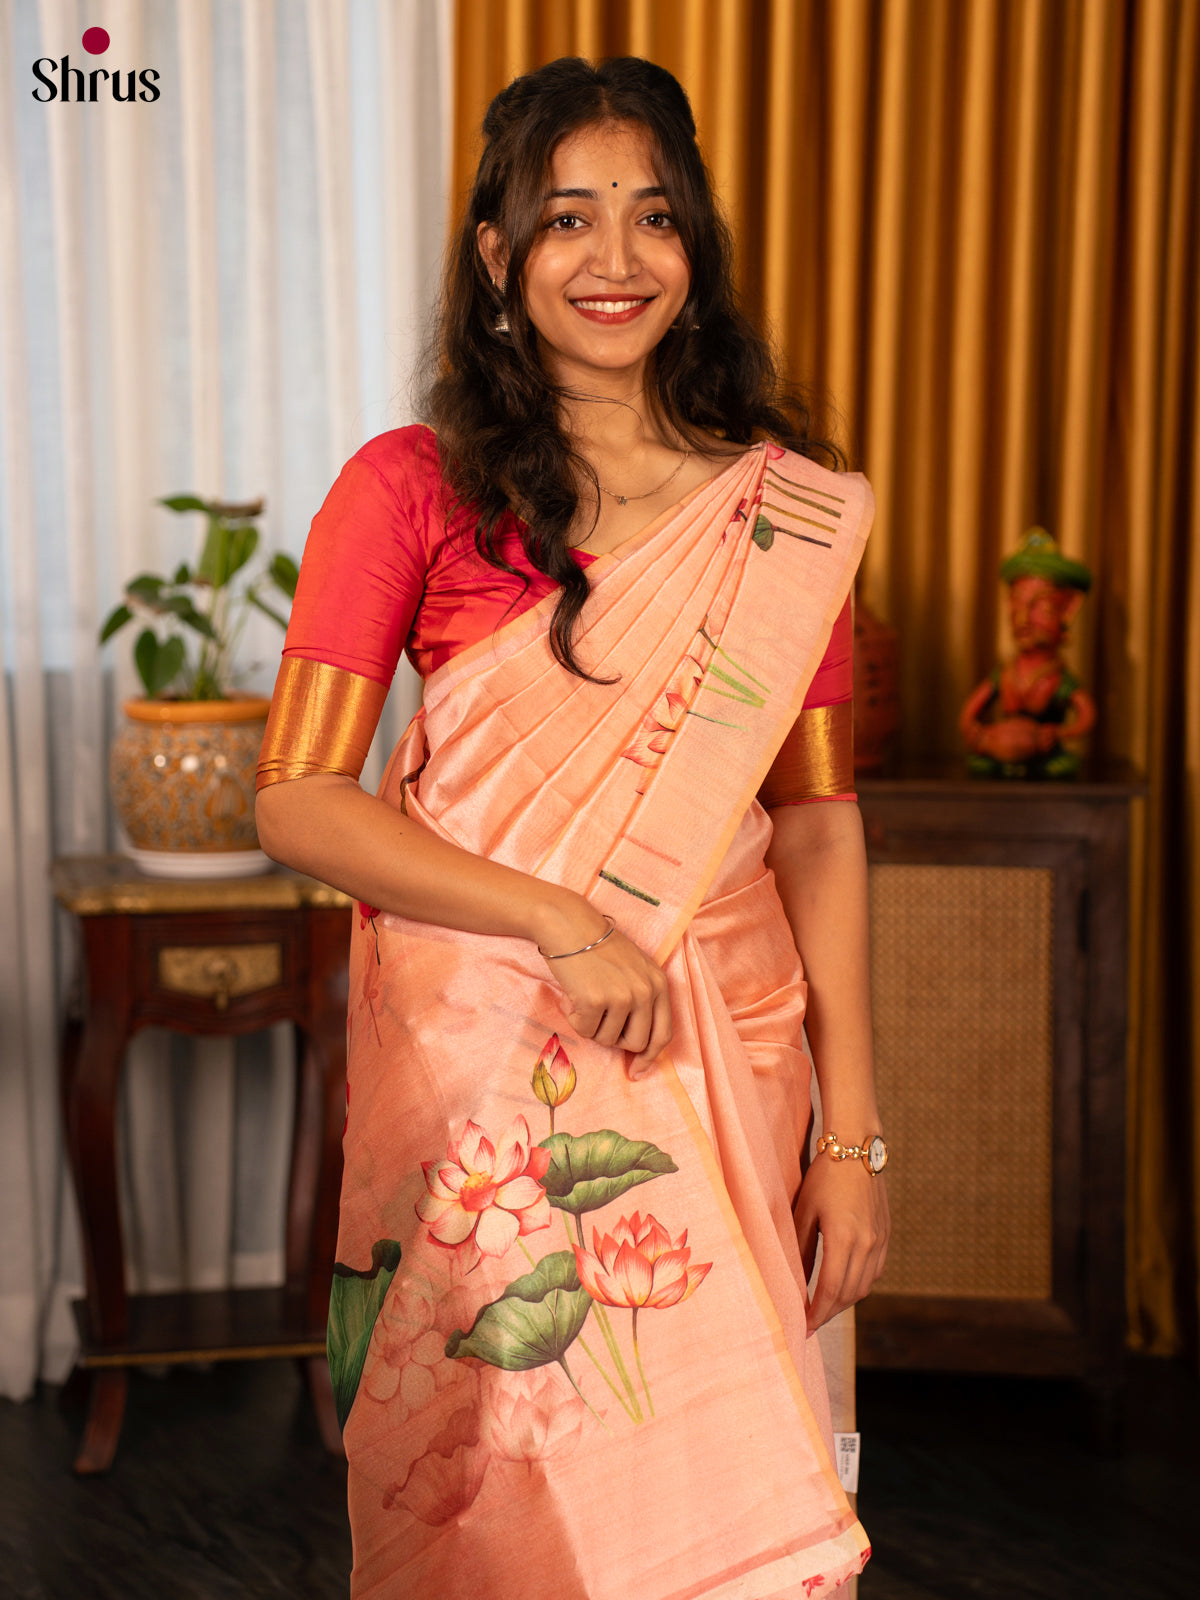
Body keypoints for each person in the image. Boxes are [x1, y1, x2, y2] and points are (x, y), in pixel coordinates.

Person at [256, 55, 888, 1600]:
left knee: (732, 1487)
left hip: (728, 1046)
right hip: (492, 1085)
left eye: (654, 218)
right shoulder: (409, 491)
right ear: (497, 255)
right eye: (569, 221)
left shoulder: (779, 520)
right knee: (519, 1495)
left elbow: (817, 825)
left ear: (698, 250)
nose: (616, 263)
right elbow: (300, 799)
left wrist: (857, 1137)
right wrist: (556, 917)